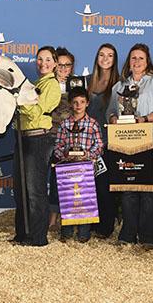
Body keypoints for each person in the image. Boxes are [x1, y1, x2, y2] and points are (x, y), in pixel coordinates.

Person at [107, 43, 153, 250]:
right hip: (126, 145)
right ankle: (127, 235)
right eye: (133, 58)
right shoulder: (118, 87)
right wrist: (112, 118)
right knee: (128, 190)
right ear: (129, 61)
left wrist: (145, 118)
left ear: (147, 62)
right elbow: (110, 111)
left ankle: (148, 237)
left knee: (148, 191)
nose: (136, 62)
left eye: (141, 58)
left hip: (152, 145)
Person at [12, 46, 62, 246]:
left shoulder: (52, 85)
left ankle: (38, 237)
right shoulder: (34, 84)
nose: (43, 63)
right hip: (22, 137)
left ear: (55, 63)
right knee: (21, 191)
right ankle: (23, 234)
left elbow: (36, 111)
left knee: (35, 190)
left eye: (48, 59)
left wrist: (19, 102)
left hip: (38, 139)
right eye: (40, 59)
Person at [54, 87, 103, 243]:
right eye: (75, 102)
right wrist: (65, 155)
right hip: (68, 168)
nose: (78, 105)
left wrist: (87, 155)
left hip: (86, 168)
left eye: (82, 102)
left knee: (85, 199)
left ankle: (84, 234)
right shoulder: (64, 124)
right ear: (70, 104)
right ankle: (66, 232)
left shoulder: (93, 124)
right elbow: (58, 146)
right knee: (68, 198)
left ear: (87, 103)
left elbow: (100, 145)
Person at [86, 43, 120, 238]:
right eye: (101, 55)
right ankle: (89, 224)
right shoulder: (88, 81)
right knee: (88, 185)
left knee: (105, 186)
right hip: (86, 143)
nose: (105, 59)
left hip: (107, 143)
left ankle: (105, 226)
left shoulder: (119, 84)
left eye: (110, 55)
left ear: (114, 60)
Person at [48, 47, 75, 231]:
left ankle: (67, 218)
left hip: (70, 140)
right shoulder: (47, 84)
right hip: (49, 137)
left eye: (68, 65)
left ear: (72, 67)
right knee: (51, 176)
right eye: (60, 65)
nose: (64, 68)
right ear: (55, 66)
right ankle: (51, 217)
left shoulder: (78, 85)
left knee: (66, 179)